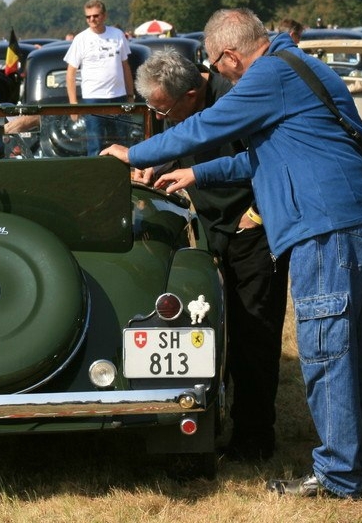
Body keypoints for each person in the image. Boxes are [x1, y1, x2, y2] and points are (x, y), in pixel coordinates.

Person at [101, 8, 362, 500]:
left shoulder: (268, 74)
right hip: (355, 217)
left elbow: (204, 127)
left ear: (231, 55)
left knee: (327, 349)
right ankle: (357, 468)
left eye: (216, 64)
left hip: (322, 225)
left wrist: (135, 155)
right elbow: (265, 154)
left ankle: (340, 473)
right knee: (359, 349)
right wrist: (198, 174)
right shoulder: (300, 66)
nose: (217, 74)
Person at [132, 50, 290, 462]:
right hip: (212, 230)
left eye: (165, 109)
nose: (162, 117)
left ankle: (254, 439)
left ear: (191, 93)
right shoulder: (185, 107)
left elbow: (271, 159)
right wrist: (157, 166)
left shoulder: (237, 99)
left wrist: (257, 215)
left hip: (251, 233)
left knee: (253, 334)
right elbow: (186, 144)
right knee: (211, 327)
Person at [64, 0, 134, 155]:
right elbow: (71, 72)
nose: (92, 20)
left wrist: (130, 95)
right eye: (88, 17)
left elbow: (125, 66)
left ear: (104, 15)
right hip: (93, 99)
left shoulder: (117, 35)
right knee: (95, 145)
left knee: (123, 142)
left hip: (119, 97)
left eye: (95, 16)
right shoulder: (80, 39)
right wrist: (73, 104)